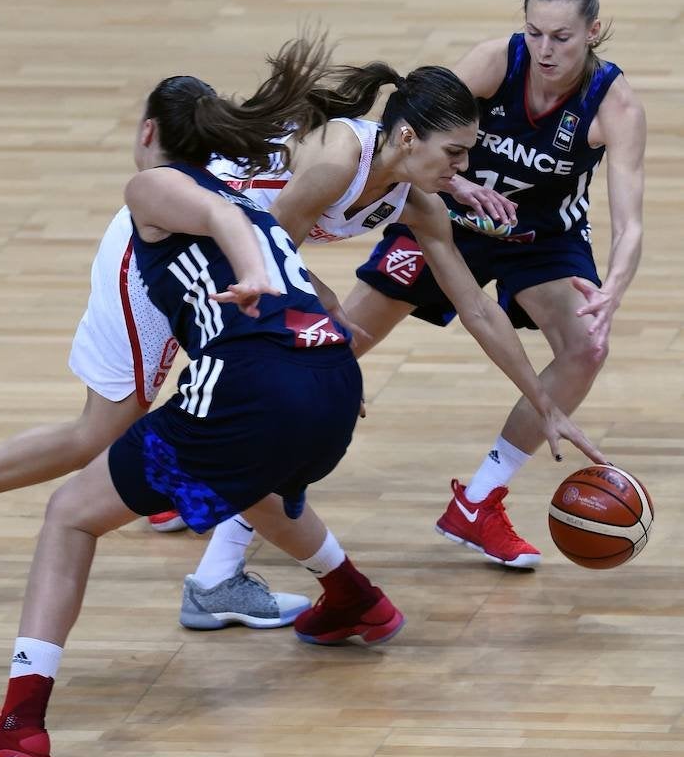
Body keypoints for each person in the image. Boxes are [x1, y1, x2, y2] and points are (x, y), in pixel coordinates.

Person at [0, 41, 408, 757]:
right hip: (326, 382)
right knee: (242, 479)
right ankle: (354, 598)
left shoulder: (156, 191)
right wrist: (324, 357)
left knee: (70, 514)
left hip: (254, 391)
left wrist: (246, 275)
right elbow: (294, 269)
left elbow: (218, 216)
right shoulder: (250, 199)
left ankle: (19, 728)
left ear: (149, 131)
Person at [170, 53, 609, 597]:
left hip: (239, 259)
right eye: (454, 152)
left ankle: (200, 522)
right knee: (274, 401)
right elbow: (269, 255)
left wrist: (545, 404)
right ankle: (195, 516)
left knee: (286, 406)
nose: (463, 168)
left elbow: (477, 310)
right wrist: (330, 331)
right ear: (405, 138)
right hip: (185, 237)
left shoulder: (418, 204)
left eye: (468, 153)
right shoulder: (337, 164)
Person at [344, 0, 645, 567]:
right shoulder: (493, 62)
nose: (545, 49)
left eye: (561, 36)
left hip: (540, 234)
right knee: (335, 344)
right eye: (534, 32)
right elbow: (409, 135)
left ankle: (479, 501)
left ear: (593, 30)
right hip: (449, 212)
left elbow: (631, 221)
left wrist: (613, 286)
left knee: (587, 346)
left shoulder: (614, 103)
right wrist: (453, 190)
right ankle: (196, 461)